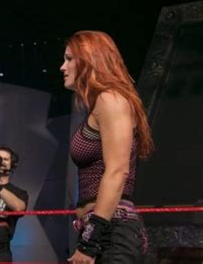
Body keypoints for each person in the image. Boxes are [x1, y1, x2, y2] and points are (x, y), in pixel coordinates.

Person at [60, 30, 153, 263]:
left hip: (112, 232)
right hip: (103, 230)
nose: (63, 67)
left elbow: (118, 171)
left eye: (69, 59)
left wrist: (89, 243)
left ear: (91, 60)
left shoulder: (110, 99)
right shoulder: (101, 103)